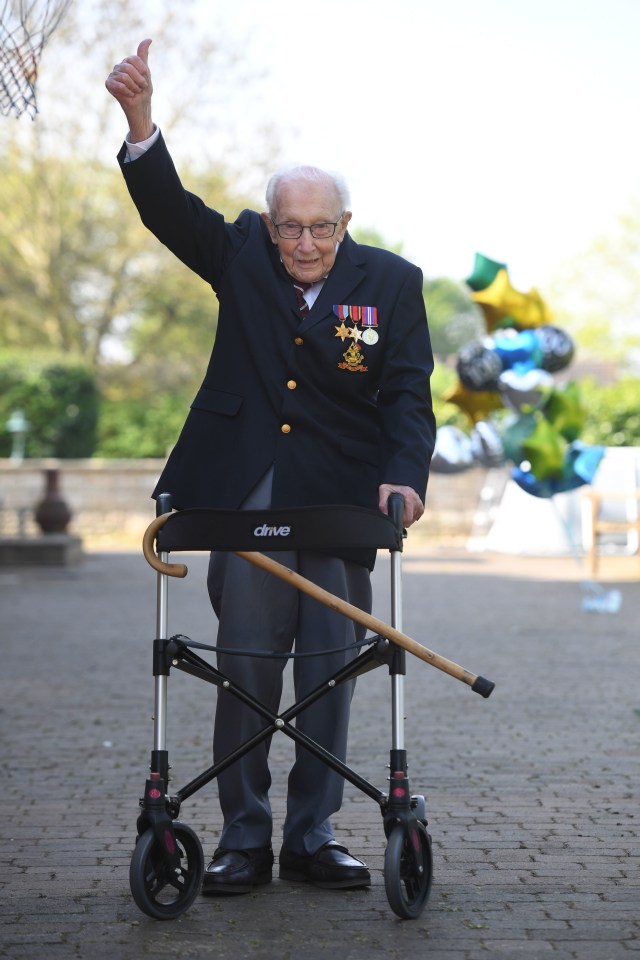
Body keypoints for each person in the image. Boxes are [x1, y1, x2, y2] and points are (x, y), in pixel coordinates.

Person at [106, 39, 436, 896]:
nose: (304, 241)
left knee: (331, 663)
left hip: (342, 495)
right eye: (290, 225)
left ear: (346, 225)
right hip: (244, 492)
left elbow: (407, 393)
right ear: (271, 222)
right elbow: (170, 212)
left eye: (321, 227)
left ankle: (313, 834)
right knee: (247, 664)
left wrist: (406, 476)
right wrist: (141, 123)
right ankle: (243, 837)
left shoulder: (393, 283)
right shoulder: (242, 252)